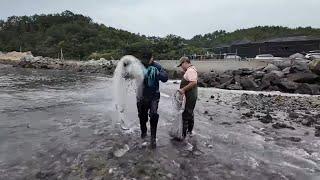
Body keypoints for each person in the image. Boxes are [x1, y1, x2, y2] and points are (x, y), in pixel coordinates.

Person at [136, 49, 168, 149]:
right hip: (141, 95)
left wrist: (158, 73)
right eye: (144, 59)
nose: (145, 62)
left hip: (154, 95)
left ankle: (153, 138)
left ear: (152, 58)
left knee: (154, 115)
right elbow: (127, 75)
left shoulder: (157, 66)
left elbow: (165, 78)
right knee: (142, 116)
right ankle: (144, 134)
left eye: (148, 60)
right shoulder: (138, 65)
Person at [177, 56, 198, 138]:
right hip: (190, 96)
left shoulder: (190, 71)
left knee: (185, 115)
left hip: (190, 97)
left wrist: (183, 90)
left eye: (181, 65)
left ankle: (183, 136)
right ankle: (189, 132)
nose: (181, 67)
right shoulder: (191, 70)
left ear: (185, 62)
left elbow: (193, 82)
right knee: (190, 113)